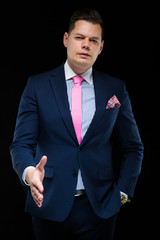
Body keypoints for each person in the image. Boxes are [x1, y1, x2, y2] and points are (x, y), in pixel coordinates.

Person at [10, 9, 144, 240]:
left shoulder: (115, 88)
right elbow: (21, 144)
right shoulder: (37, 85)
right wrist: (30, 173)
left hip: (99, 208)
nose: (86, 45)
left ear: (101, 47)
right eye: (79, 37)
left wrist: (122, 194)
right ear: (66, 39)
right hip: (48, 202)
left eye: (93, 40)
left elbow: (133, 147)